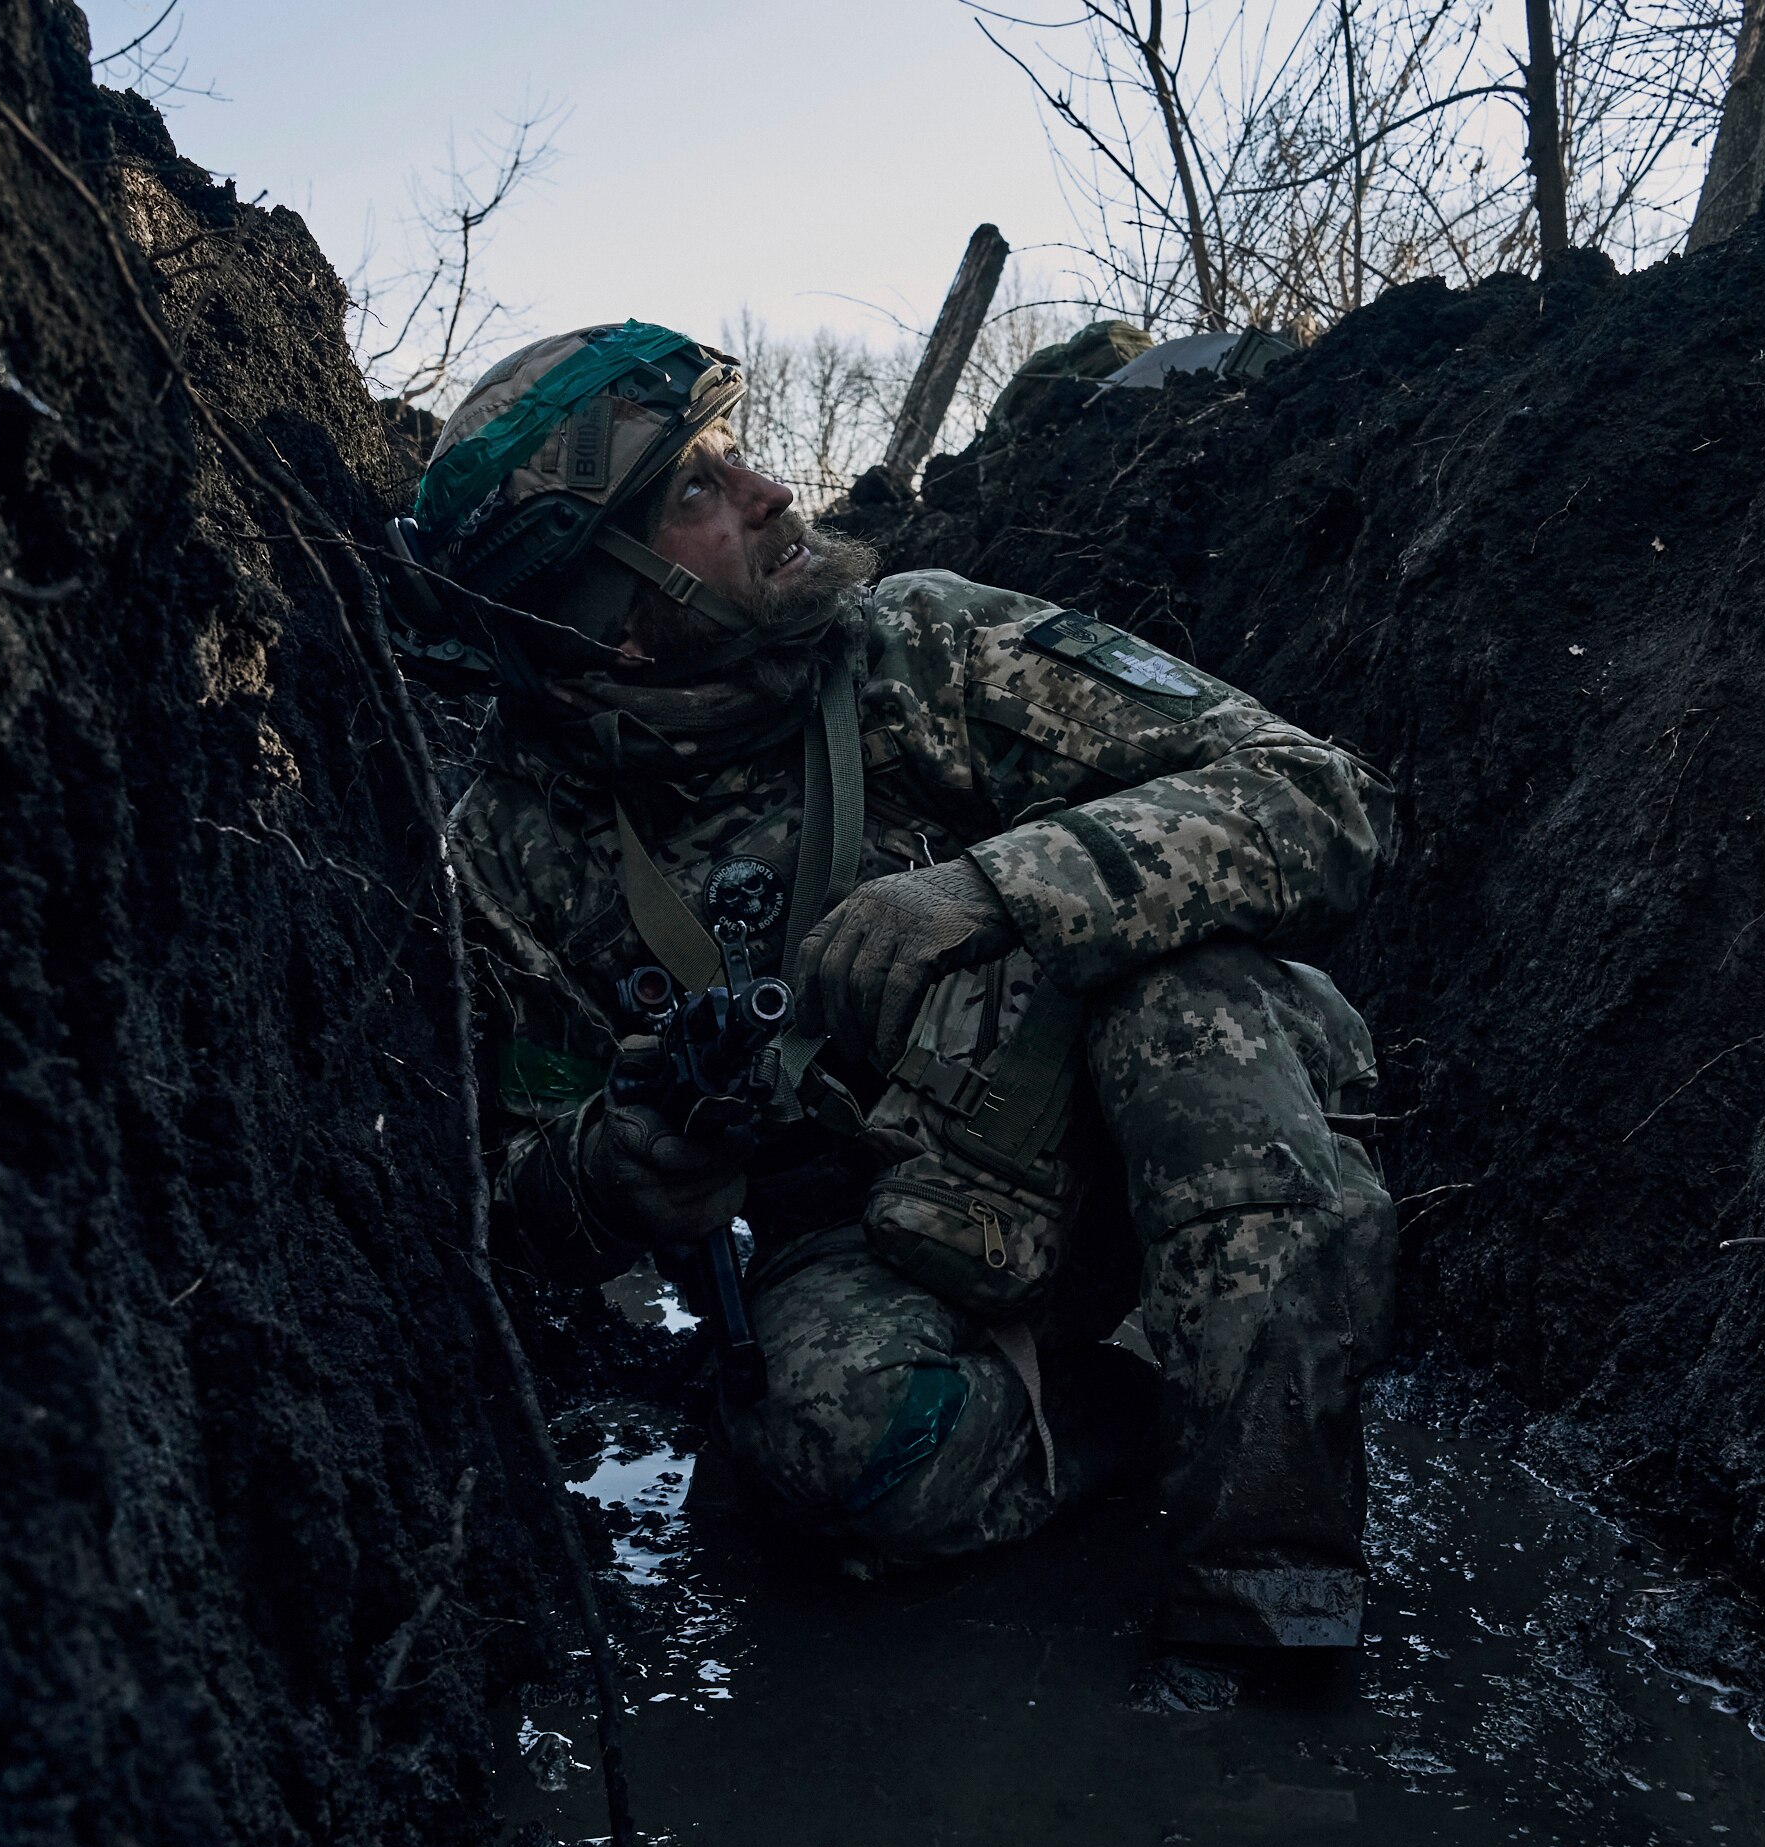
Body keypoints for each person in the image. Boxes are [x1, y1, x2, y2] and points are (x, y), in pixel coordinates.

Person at [391, 323, 1398, 1650]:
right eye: (695, 488)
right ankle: (1156, 1401)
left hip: (1154, 1138)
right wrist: (612, 1165)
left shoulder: (921, 652)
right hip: (897, 1241)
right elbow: (493, 1195)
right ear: (610, 618)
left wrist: (995, 890)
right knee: (821, 1445)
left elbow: (1321, 796)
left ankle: (1275, 1596)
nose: (770, 494)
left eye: (734, 456)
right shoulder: (513, 850)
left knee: (1188, 1015)